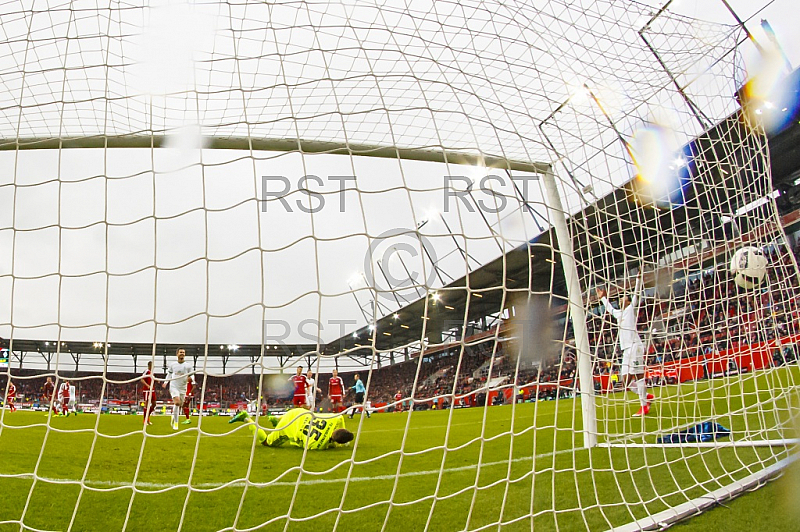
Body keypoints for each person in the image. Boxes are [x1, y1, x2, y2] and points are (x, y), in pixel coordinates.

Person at [596, 272, 654, 417]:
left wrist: (638, 279)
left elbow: (637, 294)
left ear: (628, 302)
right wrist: (603, 297)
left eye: (624, 298)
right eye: (621, 298)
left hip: (635, 345)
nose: (622, 299)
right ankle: (646, 397)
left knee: (639, 375)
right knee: (625, 381)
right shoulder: (618, 314)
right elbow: (609, 308)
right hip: (626, 349)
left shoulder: (630, 309)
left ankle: (644, 406)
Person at [229, 408, 353, 450]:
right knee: (267, 442)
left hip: (297, 412)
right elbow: (298, 444)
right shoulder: (317, 445)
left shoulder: (334, 419)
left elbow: (341, 418)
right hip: (288, 425)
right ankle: (247, 419)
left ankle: (276, 420)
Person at [162, 348, 193, 430]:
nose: (182, 353)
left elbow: (192, 375)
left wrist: (192, 380)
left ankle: (173, 416)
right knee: (177, 402)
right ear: (177, 354)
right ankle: (176, 423)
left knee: (180, 404)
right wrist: (165, 382)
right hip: (174, 386)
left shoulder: (188, 366)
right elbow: (169, 374)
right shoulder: (173, 365)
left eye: (183, 352)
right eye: (180, 352)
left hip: (183, 387)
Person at [140, 361, 156, 425]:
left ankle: (147, 417)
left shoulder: (152, 373)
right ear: (149, 365)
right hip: (147, 390)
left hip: (152, 390)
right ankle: (145, 420)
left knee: (154, 404)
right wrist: (147, 385)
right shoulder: (147, 371)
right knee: (146, 404)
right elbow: (142, 379)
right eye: (152, 365)